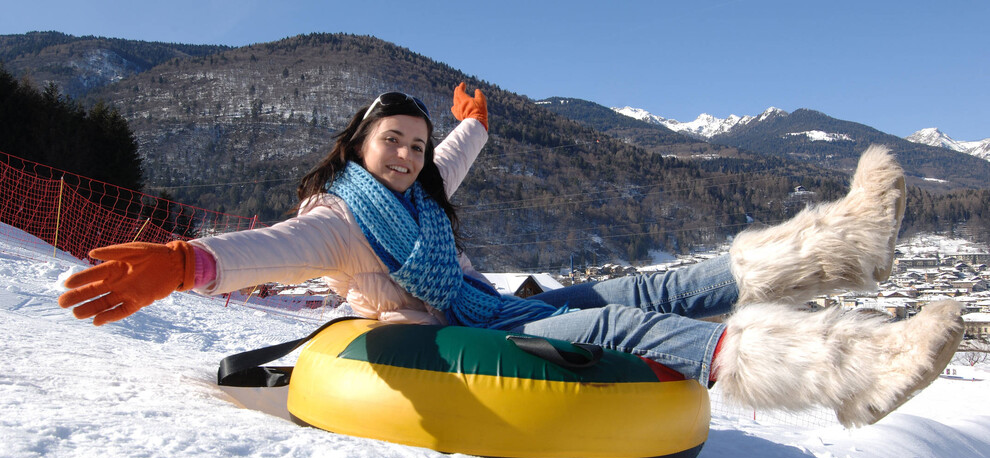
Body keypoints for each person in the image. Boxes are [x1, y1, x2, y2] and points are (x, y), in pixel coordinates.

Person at [59, 83, 964, 429]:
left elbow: (447, 160)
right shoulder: (340, 218)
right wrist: (186, 262)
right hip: (454, 336)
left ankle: (845, 244)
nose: (410, 154)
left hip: (492, 304)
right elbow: (271, 250)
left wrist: (470, 128)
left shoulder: (414, 193)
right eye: (394, 142)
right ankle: (855, 371)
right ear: (356, 146)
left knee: (644, 279)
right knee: (624, 319)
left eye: (416, 142)